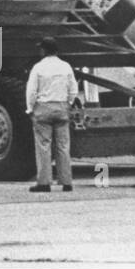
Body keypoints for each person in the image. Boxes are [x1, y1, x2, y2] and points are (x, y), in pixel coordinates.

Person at [26, 37, 79, 192]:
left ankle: (44, 183)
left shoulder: (38, 67)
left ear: (43, 50)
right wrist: (68, 103)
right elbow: (73, 89)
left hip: (43, 109)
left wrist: (30, 108)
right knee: (63, 145)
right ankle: (66, 182)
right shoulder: (66, 66)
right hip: (62, 107)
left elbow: (31, 91)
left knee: (43, 146)